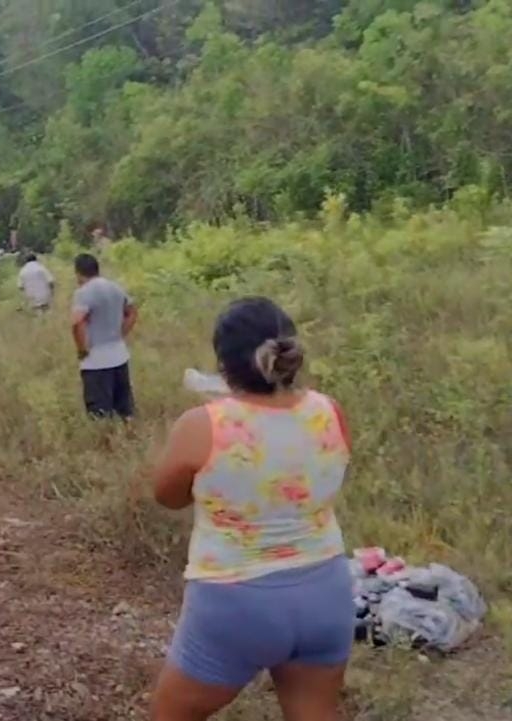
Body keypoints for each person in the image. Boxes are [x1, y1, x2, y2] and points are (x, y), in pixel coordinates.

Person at [149, 297, 353, 721]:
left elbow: (167, 496)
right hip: (325, 591)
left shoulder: (202, 424)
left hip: (236, 599)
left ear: (224, 364)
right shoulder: (328, 410)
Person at [71, 254, 138, 419]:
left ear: (78, 273)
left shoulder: (83, 293)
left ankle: (106, 444)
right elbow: (132, 312)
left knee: (99, 414)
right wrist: (120, 333)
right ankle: (127, 442)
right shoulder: (115, 287)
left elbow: (76, 322)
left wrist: (82, 349)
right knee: (124, 410)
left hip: (96, 361)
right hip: (120, 356)